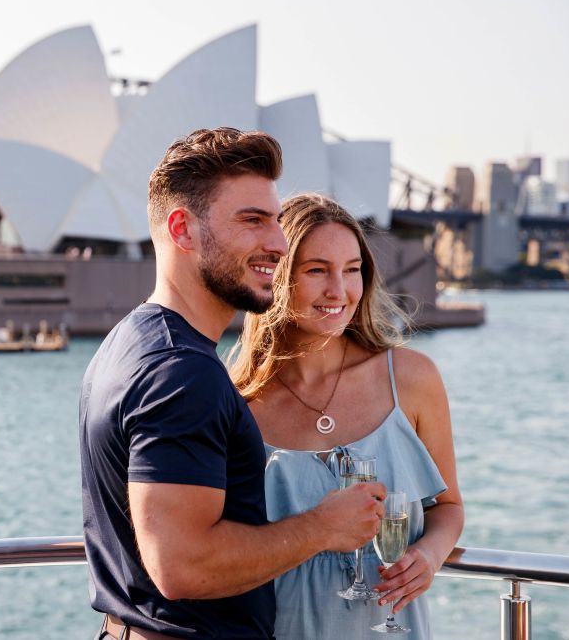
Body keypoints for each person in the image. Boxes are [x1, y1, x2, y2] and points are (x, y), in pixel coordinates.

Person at [79, 129, 387, 640]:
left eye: (275, 220)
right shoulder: (182, 373)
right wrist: (322, 528)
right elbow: (183, 566)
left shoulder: (130, 341)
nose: (278, 242)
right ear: (183, 230)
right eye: (253, 220)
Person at [228, 193, 465, 639]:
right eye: (317, 270)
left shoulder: (412, 379)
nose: (340, 291)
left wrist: (429, 556)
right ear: (278, 276)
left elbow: (448, 507)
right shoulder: (239, 403)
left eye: (352, 270)